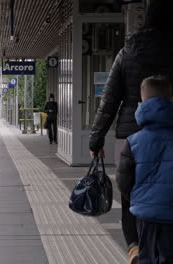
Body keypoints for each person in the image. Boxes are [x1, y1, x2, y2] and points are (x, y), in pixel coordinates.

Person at [89, 1, 173, 262]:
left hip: (129, 133)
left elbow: (109, 100)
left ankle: (135, 246)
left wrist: (96, 138)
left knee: (130, 195)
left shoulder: (127, 51)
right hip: (170, 128)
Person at [116, 75, 173, 264]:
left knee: (148, 257)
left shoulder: (132, 142)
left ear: (141, 104)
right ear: (171, 101)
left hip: (146, 215)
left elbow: (124, 181)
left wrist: (138, 199)